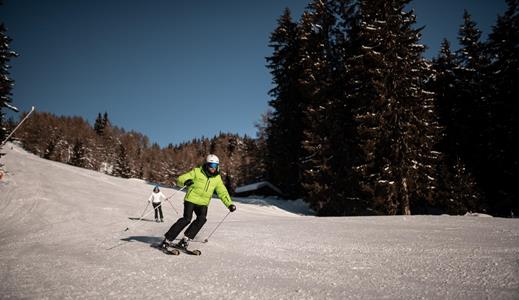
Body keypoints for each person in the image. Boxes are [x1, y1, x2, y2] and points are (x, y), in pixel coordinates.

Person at [162, 154, 236, 249]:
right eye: (212, 165)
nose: (213, 168)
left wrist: (229, 204)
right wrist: (185, 181)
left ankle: (185, 240)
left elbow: (222, 192)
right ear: (207, 164)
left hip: (203, 203)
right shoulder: (197, 171)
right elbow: (180, 179)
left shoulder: (217, 178)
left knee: (202, 219)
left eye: (216, 166)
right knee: (186, 219)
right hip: (191, 199)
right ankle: (167, 240)